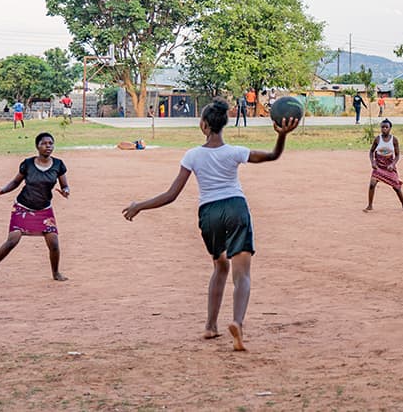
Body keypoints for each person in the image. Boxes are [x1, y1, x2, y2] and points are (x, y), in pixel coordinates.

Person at [123, 101, 297, 352]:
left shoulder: (192, 155)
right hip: (236, 208)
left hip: (209, 213)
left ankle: (210, 326)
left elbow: (171, 195)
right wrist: (282, 137)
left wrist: (140, 205)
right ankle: (237, 322)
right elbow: (273, 156)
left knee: (220, 267)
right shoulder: (235, 152)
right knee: (242, 274)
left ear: (203, 125)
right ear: (223, 125)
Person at [0, 133, 70, 281]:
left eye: (51, 143)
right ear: (37, 146)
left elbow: (65, 185)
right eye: (44, 143)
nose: (48, 146)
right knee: (12, 241)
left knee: (54, 244)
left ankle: (56, 273)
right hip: (23, 207)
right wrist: (2, 191)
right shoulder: (28, 164)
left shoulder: (58, 165)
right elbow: (16, 182)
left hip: (44, 209)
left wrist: (66, 191)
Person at [367, 119, 403, 212]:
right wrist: (372, 162)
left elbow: (397, 155)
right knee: (372, 184)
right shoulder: (377, 139)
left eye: (386, 127)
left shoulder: (394, 140)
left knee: (396, 186)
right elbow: (371, 151)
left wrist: (393, 164)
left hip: (389, 165)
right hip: (378, 164)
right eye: (382, 127)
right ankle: (370, 205)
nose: (384, 129)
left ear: (390, 128)